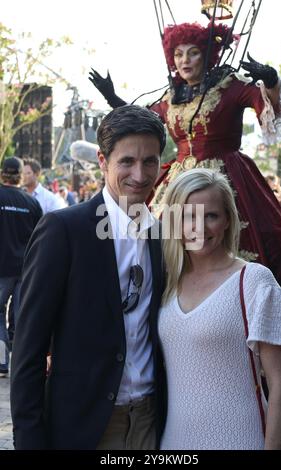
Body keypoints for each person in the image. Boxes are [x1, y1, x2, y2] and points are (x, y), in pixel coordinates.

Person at [89, 21, 281, 320]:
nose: (184, 61)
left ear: (207, 55)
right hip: (175, 182)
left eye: (192, 53)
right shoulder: (169, 98)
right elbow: (141, 121)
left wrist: (271, 81)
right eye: (178, 54)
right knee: (154, 241)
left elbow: (267, 106)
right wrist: (113, 99)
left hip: (227, 177)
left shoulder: (230, 87)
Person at [10, 105, 167, 450]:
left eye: (150, 161)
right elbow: (28, 349)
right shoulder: (65, 230)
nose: (140, 175)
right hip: (85, 425)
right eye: (127, 161)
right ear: (102, 160)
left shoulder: (162, 235)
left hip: (151, 422)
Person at [158, 168, 281, 450]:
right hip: (173, 444)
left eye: (211, 215)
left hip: (239, 439)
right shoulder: (166, 281)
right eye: (187, 216)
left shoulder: (254, 281)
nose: (199, 227)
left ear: (227, 220)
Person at [0, 157, 42, 378]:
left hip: (2, 269)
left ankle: (1, 363)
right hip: (25, 269)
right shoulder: (31, 203)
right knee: (21, 316)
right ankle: (19, 362)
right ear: (19, 176)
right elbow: (40, 239)